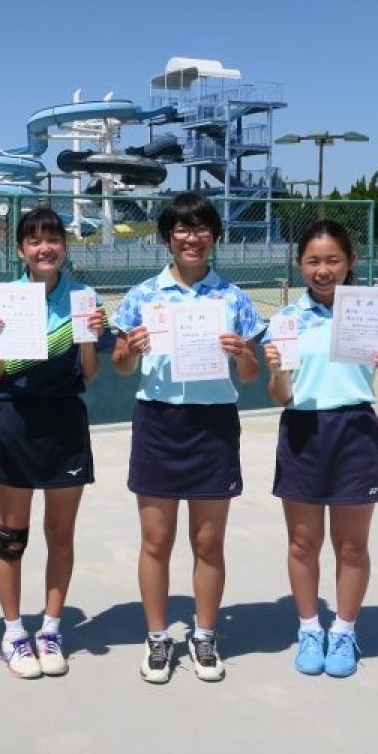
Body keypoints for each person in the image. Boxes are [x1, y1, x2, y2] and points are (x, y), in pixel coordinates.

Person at [111, 192, 263, 685]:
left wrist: (243, 354)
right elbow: (120, 366)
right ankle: (157, 638)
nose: (192, 237)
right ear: (167, 238)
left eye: (201, 229)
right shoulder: (141, 296)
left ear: (214, 237)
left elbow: (249, 375)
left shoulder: (233, 299)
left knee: (208, 541)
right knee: (156, 541)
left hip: (214, 425)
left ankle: (204, 634)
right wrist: (129, 350)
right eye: (182, 229)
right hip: (159, 422)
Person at [261, 219, 378, 679]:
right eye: (313, 261)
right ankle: (310, 628)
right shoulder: (285, 320)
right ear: (299, 264)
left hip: (355, 430)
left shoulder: (374, 313)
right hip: (303, 430)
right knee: (303, 542)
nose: (323, 270)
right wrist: (278, 370)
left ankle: (344, 630)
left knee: (350, 545)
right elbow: (279, 396)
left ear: (350, 263)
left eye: (333, 260)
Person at [0, 206, 109, 679]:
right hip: (14, 420)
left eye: (52, 238)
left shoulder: (82, 298)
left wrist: (90, 335)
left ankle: (51, 629)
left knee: (61, 534)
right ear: (20, 250)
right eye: (34, 240)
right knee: (12, 537)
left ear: (64, 246)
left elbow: (89, 373)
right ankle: (13, 632)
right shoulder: (2, 301)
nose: (44, 247)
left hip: (65, 421)